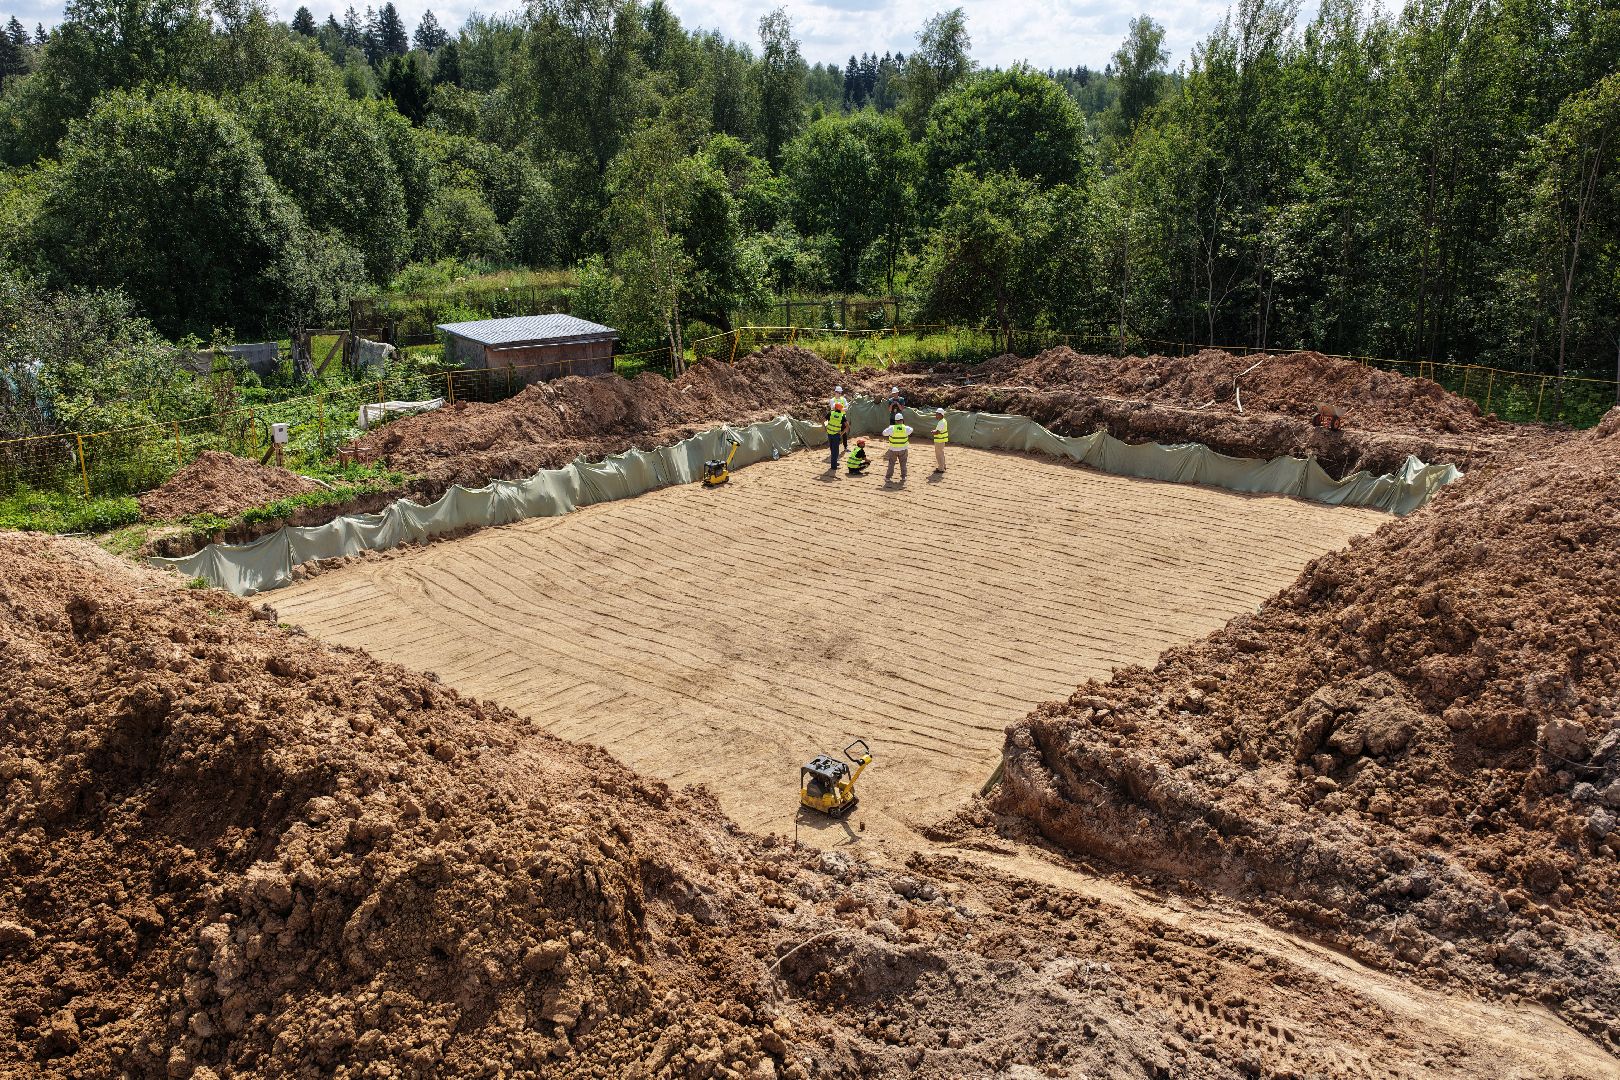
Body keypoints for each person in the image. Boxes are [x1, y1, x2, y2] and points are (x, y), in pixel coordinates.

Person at [883, 415, 913, 483]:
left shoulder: (891, 428)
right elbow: (911, 430)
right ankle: (903, 477)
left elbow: (884, 433)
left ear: (896, 421)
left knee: (891, 464)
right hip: (903, 450)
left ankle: (888, 478)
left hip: (893, 450)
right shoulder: (906, 428)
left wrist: (890, 428)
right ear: (902, 420)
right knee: (903, 464)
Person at [825, 401, 848, 471]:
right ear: (841, 409)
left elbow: (822, 421)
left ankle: (834, 463)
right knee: (835, 451)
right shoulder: (842, 416)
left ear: (835, 408)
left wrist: (825, 428)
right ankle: (834, 466)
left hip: (829, 434)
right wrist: (841, 434)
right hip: (836, 435)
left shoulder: (830, 413)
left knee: (832, 449)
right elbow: (847, 427)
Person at [931, 408, 949, 473]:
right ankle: (943, 466)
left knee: (939, 455)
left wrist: (933, 432)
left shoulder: (941, 422)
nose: (936, 415)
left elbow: (937, 432)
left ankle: (941, 469)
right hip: (941, 440)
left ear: (941, 414)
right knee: (941, 453)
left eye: (937, 414)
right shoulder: (943, 421)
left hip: (939, 441)